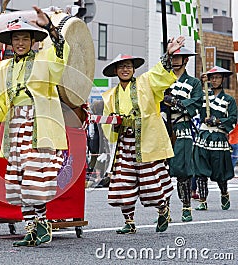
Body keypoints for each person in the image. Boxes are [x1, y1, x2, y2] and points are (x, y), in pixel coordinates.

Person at [0, 6, 69, 247]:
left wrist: (50, 28)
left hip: (39, 124)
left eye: (24, 38)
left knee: (33, 177)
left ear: (33, 41)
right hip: (16, 124)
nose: (20, 43)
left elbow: (61, 56)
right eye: (16, 38)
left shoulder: (45, 60)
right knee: (19, 178)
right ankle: (30, 228)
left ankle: (42, 223)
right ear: (9, 42)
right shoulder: (4, 68)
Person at [101, 36, 185, 234]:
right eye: (121, 67)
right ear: (115, 71)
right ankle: (129, 222)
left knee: (151, 182)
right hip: (125, 143)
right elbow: (107, 122)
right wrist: (114, 123)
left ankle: (163, 210)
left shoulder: (146, 82)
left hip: (146, 141)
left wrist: (168, 55)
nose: (125, 69)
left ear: (133, 69)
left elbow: (159, 73)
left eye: (128, 66)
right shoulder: (109, 96)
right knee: (122, 182)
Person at [162, 47, 203, 222]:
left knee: (182, 170)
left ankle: (186, 206)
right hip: (163, 127)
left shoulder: (193, 83)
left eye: (179, 57)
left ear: (186, 60)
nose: (176, 60)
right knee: (162, 171)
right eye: (173, 57)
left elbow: (196, 103)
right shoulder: (163, 79)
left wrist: (176, 102)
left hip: (182, 127)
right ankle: (164, 211)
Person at [193, 66, 237, 211]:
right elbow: (195, 102)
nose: (214, 80)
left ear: (222, 79)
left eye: (217, 77)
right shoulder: (205, 95)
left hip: (218, 136)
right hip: (204, 135)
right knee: (200, 170)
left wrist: (218, 121)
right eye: (212, 77)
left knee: (220, 171)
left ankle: (224, 193)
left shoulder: (229, 99)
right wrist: (201, 82)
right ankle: (203, 200)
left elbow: (233, 118)